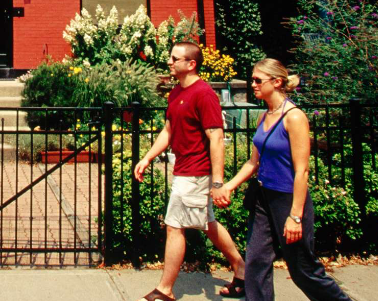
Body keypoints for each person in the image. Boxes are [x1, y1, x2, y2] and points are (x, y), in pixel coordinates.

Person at [213, 58, 352, 301]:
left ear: (277, 82)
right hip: (263, 198)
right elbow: (253, 162)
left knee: (303, 270)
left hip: (288, 200)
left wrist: (295, 216)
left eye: (258, 80)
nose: (253, 85)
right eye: (252, 80)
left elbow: (302, 171)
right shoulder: (263, 116)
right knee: (256, 261)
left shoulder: (294, 117)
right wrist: (229, 186)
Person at [132, 41, 246, 301]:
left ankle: (165, 290)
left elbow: (216, 137)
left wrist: (217, 183)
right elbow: (168, 130)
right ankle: (242, 269)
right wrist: (148, 157)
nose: (169, 62)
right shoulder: (176, 93)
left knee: (174, 227)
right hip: (184, 169)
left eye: (175, 58)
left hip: (197, 172)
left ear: (191, 64)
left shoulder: (204, 94)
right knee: (207, 223)